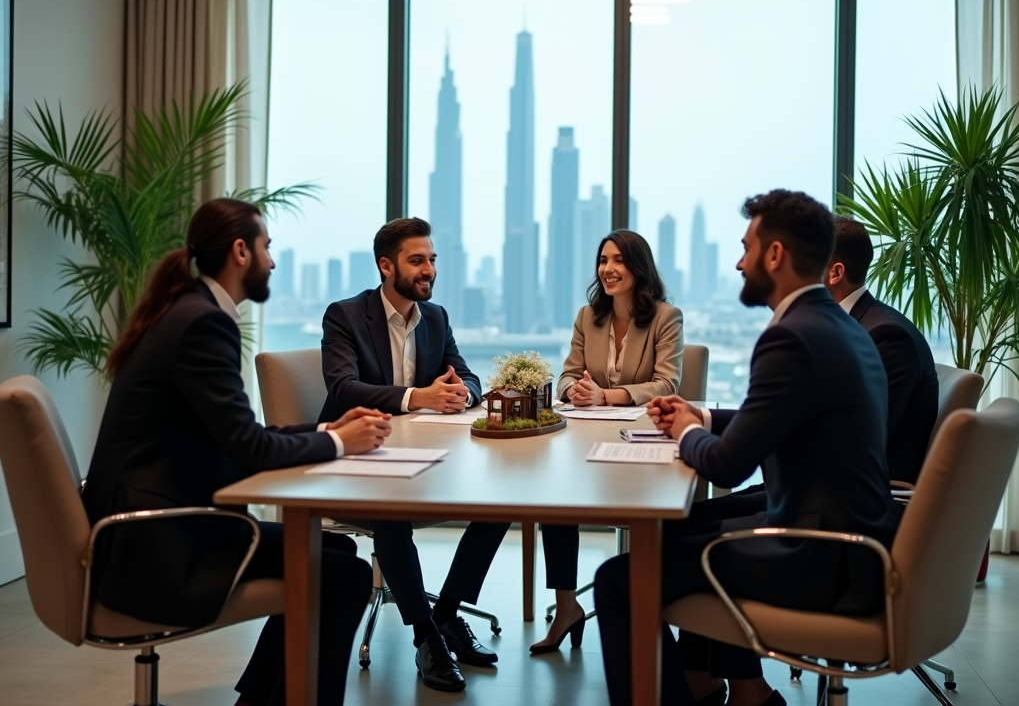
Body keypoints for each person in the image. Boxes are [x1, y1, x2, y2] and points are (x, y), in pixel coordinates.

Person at [593, 190, 902, 706]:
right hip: (854, 541)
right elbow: (778, 419)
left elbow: (728, 464)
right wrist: (702, 416)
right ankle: (721, 687)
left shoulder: (790, 336)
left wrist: (685, 433)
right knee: (673, 535)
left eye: (746, 248)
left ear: (775, 255)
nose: (739, 262)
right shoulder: (838, 326)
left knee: (617, 581)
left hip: (817, 556)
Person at [83, 198, 392, 706]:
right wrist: (340, 442)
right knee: (349, 575)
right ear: (240, 251)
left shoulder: (185, 310)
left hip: (147, 526)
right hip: (156, 544)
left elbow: (236, 432)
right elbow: (249, 447)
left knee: (334, 549)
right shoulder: (204, 323)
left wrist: (327, 426)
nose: (273, 260)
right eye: (267, 247)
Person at [318, 217, 511, 693]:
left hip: (425, 457)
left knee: (504, 502)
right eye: (417, 261)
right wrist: (416, 397)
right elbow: (343, 389)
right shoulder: (344, 316)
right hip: (361, 457)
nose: (429, 270)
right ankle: (426, 638)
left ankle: (445, 615)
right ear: (387, 267)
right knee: (391, 514)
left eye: (432, 260)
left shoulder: (436, 317)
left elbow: (467, 376)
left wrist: (460, 393)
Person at [532, 229, 683, 655]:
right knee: (556, 500)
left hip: (641, 447)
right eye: (603, 260)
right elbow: (566, 374)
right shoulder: (587, 317)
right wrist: (573, 391)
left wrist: (608, 395)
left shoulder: (666, 317)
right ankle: (566, 606)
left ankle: (649, 612)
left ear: (638, 268)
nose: (608, 269)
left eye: (618, 260)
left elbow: (668, 383)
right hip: (584, 442)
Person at [825, 215, 939, 485]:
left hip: (848, 505)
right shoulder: (849, 326)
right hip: (814, 488)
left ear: (835, 273)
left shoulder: (887, 337)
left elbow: (854, 446)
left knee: (706, 523)